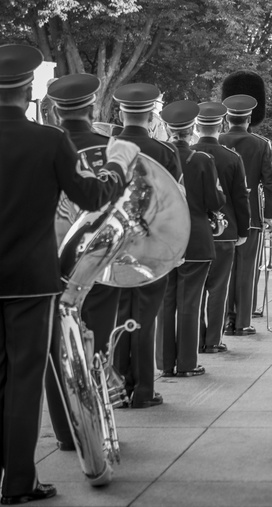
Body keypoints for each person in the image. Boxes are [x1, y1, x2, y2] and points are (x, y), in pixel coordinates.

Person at [0, 44, 137, 504]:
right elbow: (95, 197)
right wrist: (117, 162)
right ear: (28, 91)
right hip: (30, 280)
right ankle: (18, 483)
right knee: (23, 382)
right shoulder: (47, 140)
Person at [44, 73, 119, 454]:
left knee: (56, 348)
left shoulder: (45, 142)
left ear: (55, 111)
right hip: (99, 257)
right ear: (92, 109)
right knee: (99, 342)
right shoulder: (111, 148)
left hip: (49, 260)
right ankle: (99, 425)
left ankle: (66, 432)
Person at [112, 82, 183, 409]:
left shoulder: (109, 147)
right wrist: (177, 248)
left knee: (117, 317)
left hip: (114, 245)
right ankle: (143, 389)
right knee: (145, 317)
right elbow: (175, 207)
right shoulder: (165, 152)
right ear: (152, 114)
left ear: (121, 113)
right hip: (153, 246)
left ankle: (117, 385)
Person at [159, 101, 226, 378]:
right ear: (191, 130)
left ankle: (164, 361)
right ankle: (187, 362)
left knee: (166, 301)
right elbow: (215, 200)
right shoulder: (201, 160)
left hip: (163, 239)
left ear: (167, 128)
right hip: (195, 237)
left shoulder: (157, 157)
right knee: (190, 303)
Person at [193, 101, 251, 354]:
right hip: (225, 231)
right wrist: (243, 231)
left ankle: (193, 338)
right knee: (218, 289)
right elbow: (240, 198)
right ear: (220, 126)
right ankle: (212, 341)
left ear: (196, 125)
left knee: (193, 290)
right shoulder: (232, 157)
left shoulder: (186, 154)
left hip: (193, 233)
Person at [220, 93, 272, 336]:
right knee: (246, 270)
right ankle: (242, 321)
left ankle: (221, 319)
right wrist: (269, 215)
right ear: (249, 118)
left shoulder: (218, 139)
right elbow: (270, 182)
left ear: (227, 118)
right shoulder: (261, 144)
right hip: (251, 214)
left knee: (223, 271)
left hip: (220, 215)